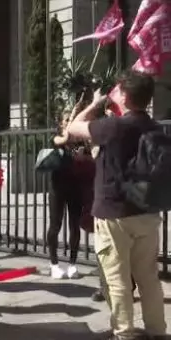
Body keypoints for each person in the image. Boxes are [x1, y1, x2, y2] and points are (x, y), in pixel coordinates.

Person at [66, 71, 166, 340]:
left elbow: (72, 128)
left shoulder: (114, 127)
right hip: (147, 211)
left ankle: (124, 333)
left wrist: (95, 104)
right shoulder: (155, 127)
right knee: (148, 279)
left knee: (117, 280)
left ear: (124, 95)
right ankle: (158, 332)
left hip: (114, 214)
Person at [47, 109, 94, 279]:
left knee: (74, 226)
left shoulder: (81, 143)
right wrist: (72, 126)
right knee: (55, 225)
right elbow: (62, 139)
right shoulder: (56, 138)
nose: (70, 121)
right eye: (67, 119)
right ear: (61, 123)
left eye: (71, 119)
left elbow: (92, 159)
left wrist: (84, 158)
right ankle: (53, 264)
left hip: (75, 188)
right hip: (57, 188)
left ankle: (73, 264)